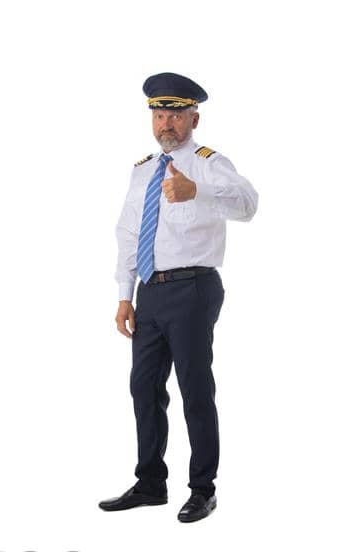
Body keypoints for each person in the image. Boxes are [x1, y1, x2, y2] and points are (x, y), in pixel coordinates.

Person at [100, 73, 257, 524]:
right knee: (144, 388)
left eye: (175, 115)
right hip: (150, 291)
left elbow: (248, 203)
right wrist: (123, 294)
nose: (166, 123)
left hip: (192, 287)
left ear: (194, 118)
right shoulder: (142, 168)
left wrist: (197, 191)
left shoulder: (209, 163)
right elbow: (129, 232)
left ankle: (203, 489)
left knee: (194, 389)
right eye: (159, 114)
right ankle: (150, 482)